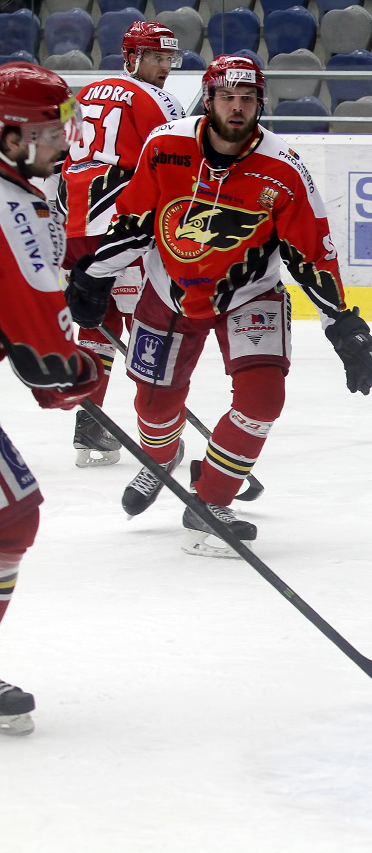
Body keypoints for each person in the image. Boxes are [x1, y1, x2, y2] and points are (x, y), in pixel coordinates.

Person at [63, 56, 372, 557]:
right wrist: (95, 274)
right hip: (169, 289)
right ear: (208, 100)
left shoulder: (284, 168)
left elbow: (310, 254)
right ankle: (161, 457)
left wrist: (342, 323)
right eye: (227, 97)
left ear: (260, 103)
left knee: (263, 399)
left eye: (248, 98)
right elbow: (135, 222)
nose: (237, 107)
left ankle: (210, 500)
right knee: (153, 407)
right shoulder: (165, 145)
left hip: (250, 293)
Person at [0, 63, 106, 735]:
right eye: (47, 131)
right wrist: (77, 370)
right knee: (10, 518)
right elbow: (47, 360)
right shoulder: (12, 204)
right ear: (8, 136)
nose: (62, 143)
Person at [55, 22, 186, 469]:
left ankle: (91, 422)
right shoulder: (160, 101)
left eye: (169, 59)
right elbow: (177, 163)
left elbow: (56, 159)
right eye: (157, 58)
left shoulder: (81, 96)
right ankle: (159, 428)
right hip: (122, 229)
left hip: (75, 225)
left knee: (100, 321)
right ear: (132, 57)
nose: (165, 67)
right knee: (147, 320)